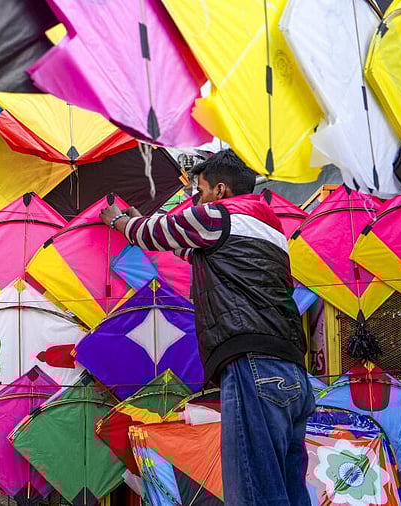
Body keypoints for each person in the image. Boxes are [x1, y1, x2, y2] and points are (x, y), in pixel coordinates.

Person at [100, 149, 314, 505]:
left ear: (219, 190)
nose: (195, 199)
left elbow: (158, 234)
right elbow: (197, 249)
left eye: (198, 190)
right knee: (289, 493)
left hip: (251, 366)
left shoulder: (219, 215)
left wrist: (119, 222)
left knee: (254, 493)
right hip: (291, 370)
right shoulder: (271, 229)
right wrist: (145, 225)